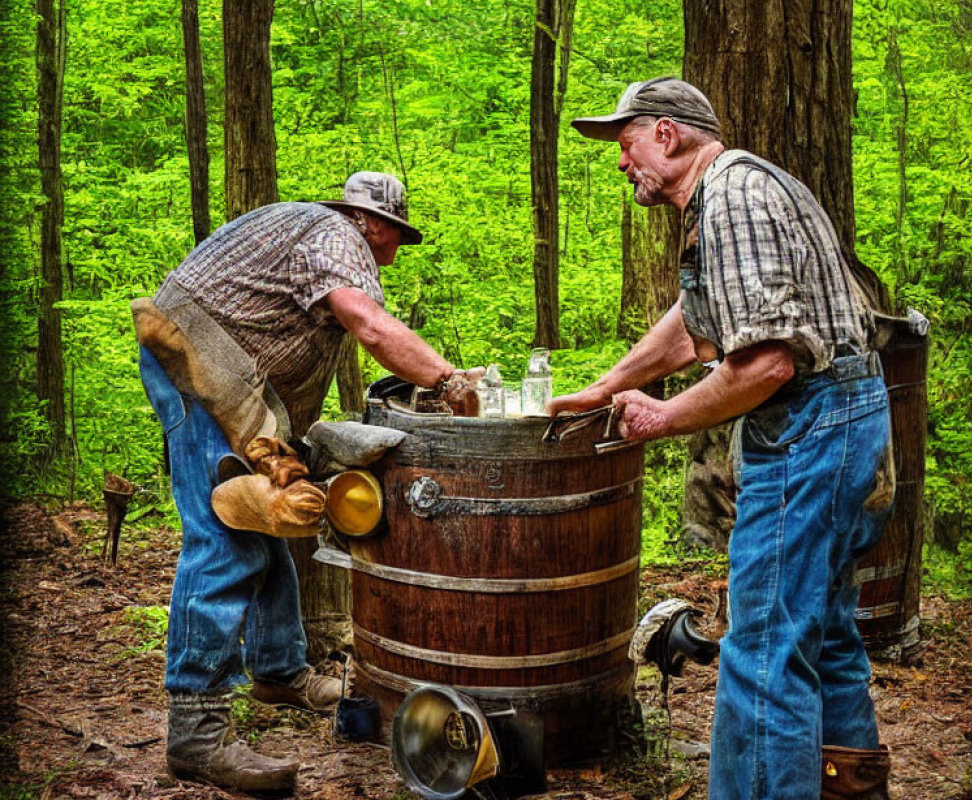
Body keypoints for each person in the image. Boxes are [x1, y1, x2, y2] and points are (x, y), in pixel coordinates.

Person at [548, 78, 894, 800]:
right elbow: (694, 314)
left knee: (764, 646)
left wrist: (663, 418)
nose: (621, 162)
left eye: (626, 143)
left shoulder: (731, 198)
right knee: (823, 633)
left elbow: (767, 361)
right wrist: (607, 387)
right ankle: (851, 788)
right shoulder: (743, 187)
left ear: (668, 136)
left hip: (811, 431)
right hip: (849, 421)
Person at [133, 172, 477, 794]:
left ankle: (278, 669)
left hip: (233, 383)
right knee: (224, 532)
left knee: (271, 519)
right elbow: (366, 323)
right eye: (396, 235)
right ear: (372, 223)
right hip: (195, 366)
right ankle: (195, 731)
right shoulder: (336, 233)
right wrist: (447, 380)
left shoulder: (316, 238)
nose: (396, 250)